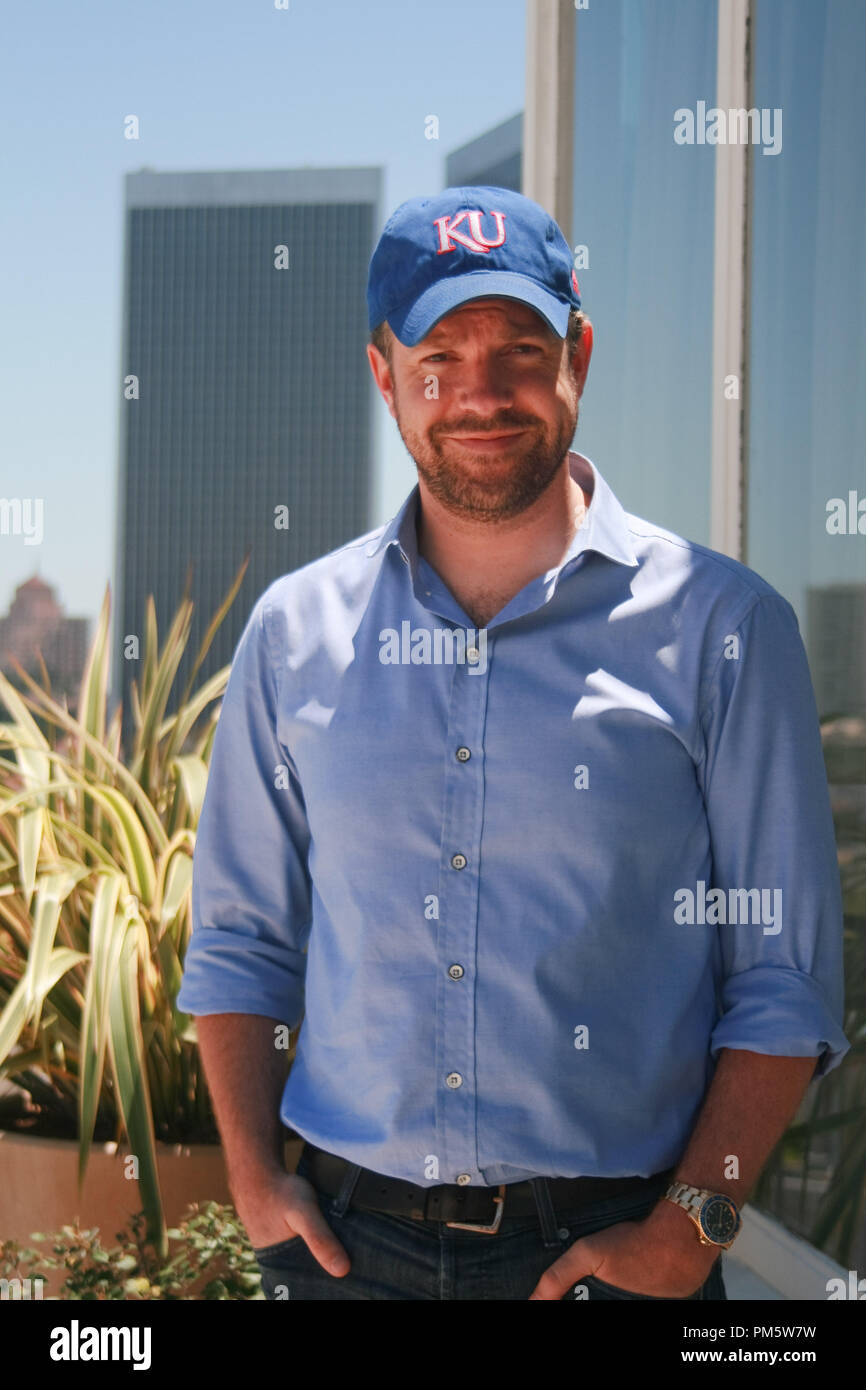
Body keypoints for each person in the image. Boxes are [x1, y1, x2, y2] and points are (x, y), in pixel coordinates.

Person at [176, 186, 850, 1301]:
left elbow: (783, 977)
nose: (480, 393)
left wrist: (688, 1235)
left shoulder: (724, 628)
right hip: (341, 1254)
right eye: (438, 353)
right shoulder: (293, 633)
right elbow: (243, 939)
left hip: (619, 1258)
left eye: (521, 349)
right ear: (382, 373)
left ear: (577, 353)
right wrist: (256, 1184)